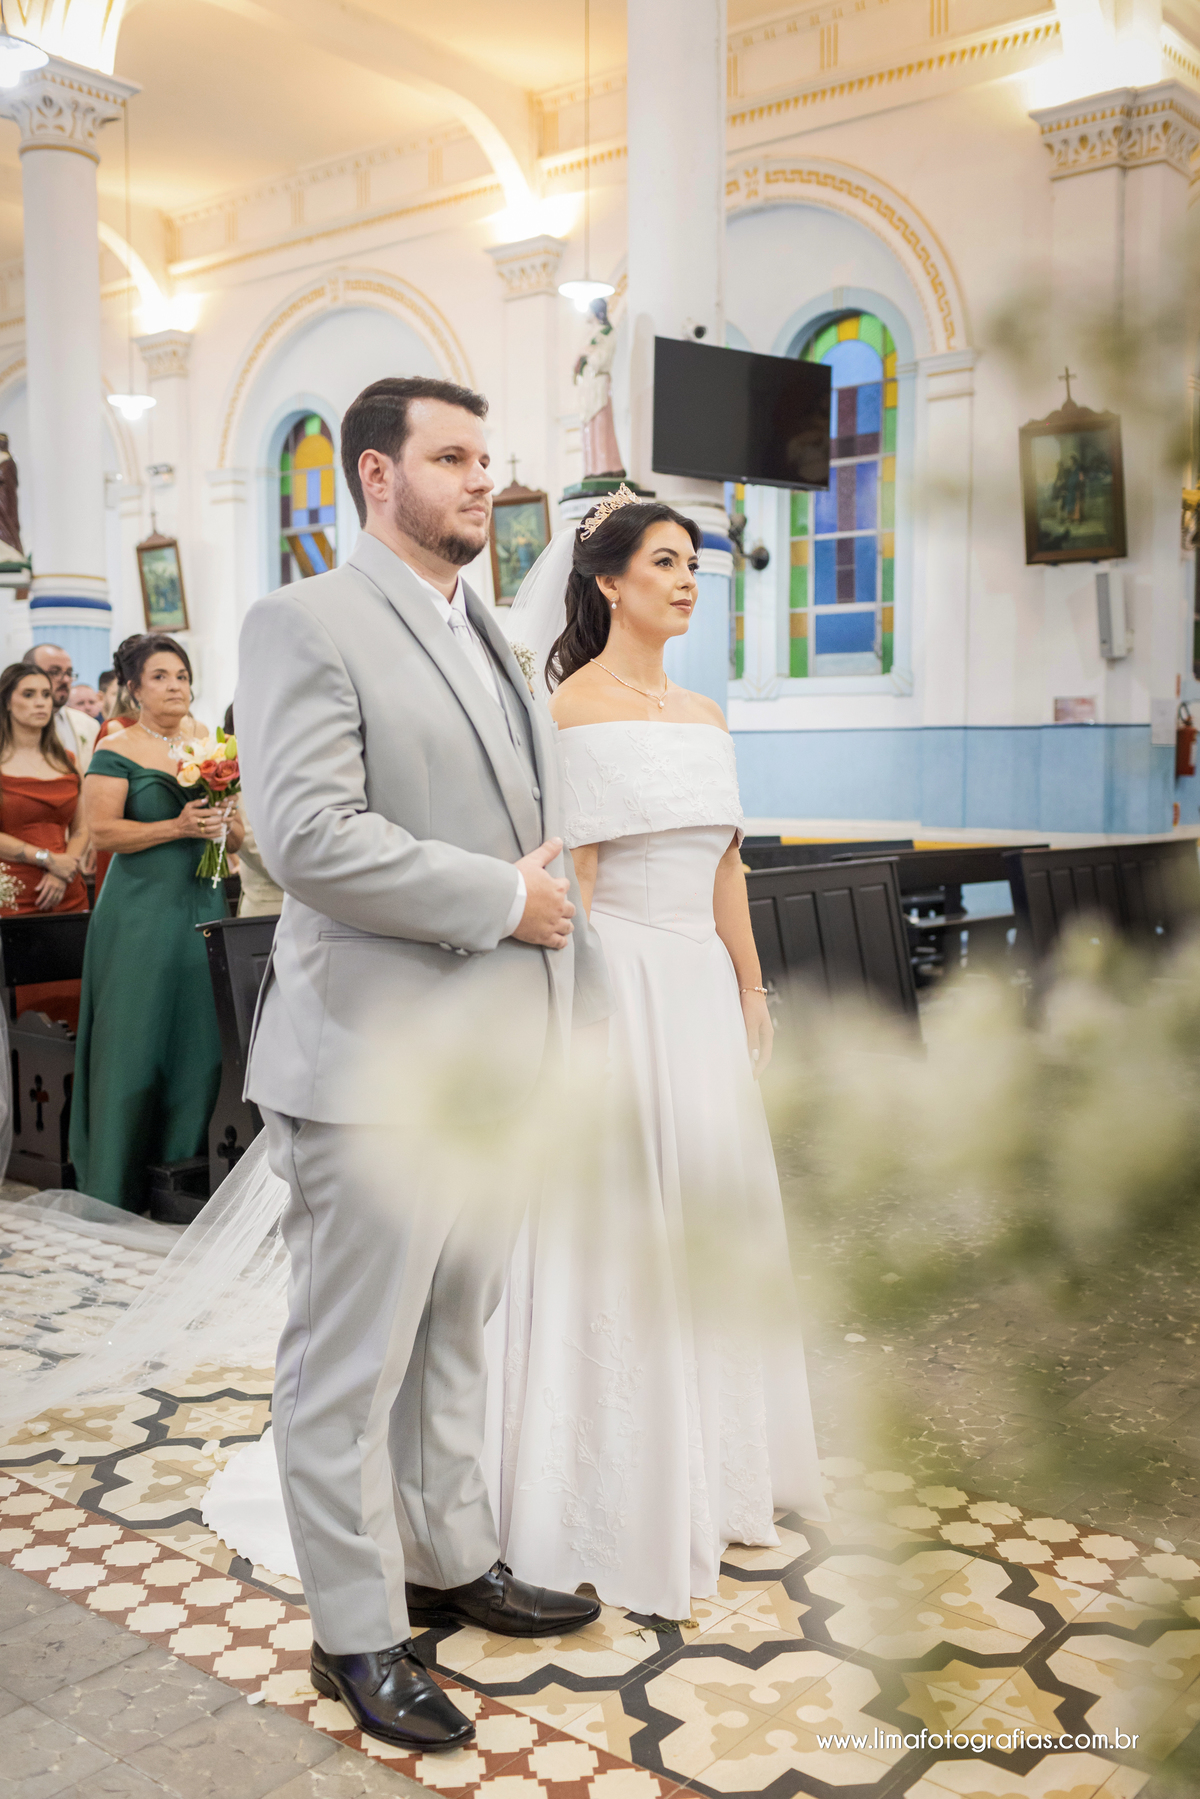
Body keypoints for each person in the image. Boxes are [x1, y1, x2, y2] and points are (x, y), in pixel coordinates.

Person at [235, 374, 611, 1753]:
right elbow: (307, 834)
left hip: (492, 1061)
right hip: (375, 1068)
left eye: (486, 456)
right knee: (349, 1361)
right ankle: (355, 1629)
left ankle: (448, 1553)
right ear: (376, 475)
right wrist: (498, 900)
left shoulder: (495, 637)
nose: (480, 479)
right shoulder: (307, 621)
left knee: (459, 1328)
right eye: (451, 456)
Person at [69, 633, 242, 1212]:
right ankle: (115, 1183)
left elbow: (237, 832)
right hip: (141, 911)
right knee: (135, 1039)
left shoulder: (213, 745)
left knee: (199, 1041)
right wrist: (178, 829)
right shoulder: (118, 748)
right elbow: (103, 833)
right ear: (134, 688)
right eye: (162, 677)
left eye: (183, 676)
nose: (177, 688)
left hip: (204, 902)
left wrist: (223, 823)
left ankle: (182, 1180)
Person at [0, 661, 88, 1027]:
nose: (41, 703)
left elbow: (84, 827)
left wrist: (64, 866)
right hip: (16, 894)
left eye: (47, 695)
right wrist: (46, 859)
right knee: (22, 1007)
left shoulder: (66, 760)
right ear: (7, 702)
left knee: (75, 994)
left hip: (68, 889)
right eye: (29, 694)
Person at [25, 644, 99, 773]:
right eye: (54, 672)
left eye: (69, 673)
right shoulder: (11, 726)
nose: (65, 680)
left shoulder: (89, 725)